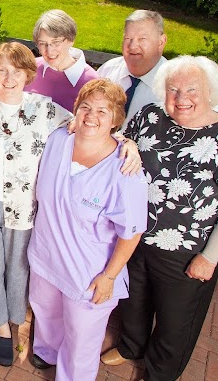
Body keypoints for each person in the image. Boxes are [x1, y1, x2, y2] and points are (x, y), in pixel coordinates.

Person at [101, 56, 218, 380]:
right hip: (135, 237)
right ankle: (132, 346)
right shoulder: (150, 116)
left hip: (186, 252)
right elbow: (125, 138)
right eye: (173, 89)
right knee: (133, 301)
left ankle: (160, 372)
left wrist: (210, 257)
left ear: (211, 92)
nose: (181, 98)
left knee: (176, 322)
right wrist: (127, 144)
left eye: (192, 89)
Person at [0, 42, 72, 366]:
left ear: (27, 74)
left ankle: (4, 321)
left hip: (21, 205)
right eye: (2, 70)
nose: (9, 77)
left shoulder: (46, 109)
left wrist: (124, 141)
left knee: (16, 269)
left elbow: (87, 127)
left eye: (16, 71)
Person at [27, 79, 148, 380]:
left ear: (116, 120)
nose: (92, 116)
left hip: (88, 272)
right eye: (86, 107)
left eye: (103, 111)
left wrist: (109, 277)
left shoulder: (124, 169)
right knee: (45, 311)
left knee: (82, 338)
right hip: (46, 255)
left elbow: (131, 231)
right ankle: (47, 352)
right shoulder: (57, 140)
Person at [97, 9, 218, 149]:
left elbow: (217, 116)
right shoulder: (109, 70)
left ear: (161, 42)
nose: (132, 46)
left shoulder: (176, 79)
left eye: (142, 39)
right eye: (128, 38)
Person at [24, 9, 98, 111]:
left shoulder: (92, 81)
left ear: (71, 40)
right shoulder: (30, 68)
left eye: (56, 42)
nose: (49, 51)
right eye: (42, 43)